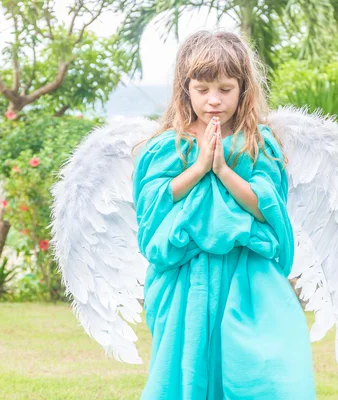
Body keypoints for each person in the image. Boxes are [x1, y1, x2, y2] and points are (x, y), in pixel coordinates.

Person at [131, 30, 316, 399]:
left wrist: (224, 170)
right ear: (186, 89)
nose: (213, 100)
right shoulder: (168, 145)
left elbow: (267, 207)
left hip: (246, 273)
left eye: (225, 89)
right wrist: (199, 166)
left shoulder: (257, 142)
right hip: (187, 277)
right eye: (202, 89)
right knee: (189, 368)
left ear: (243, 88)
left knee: (261, 371)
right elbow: (153, 204)